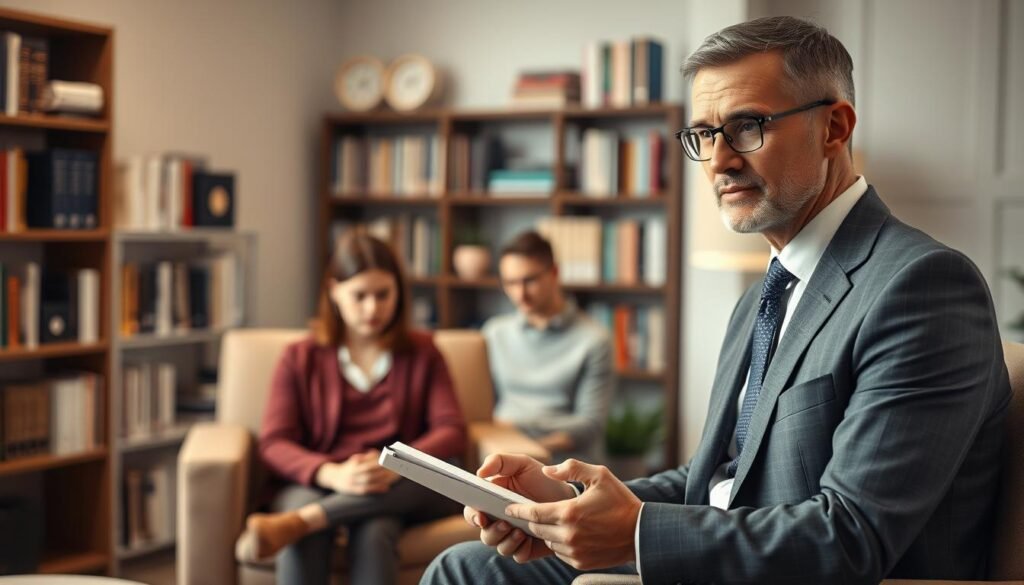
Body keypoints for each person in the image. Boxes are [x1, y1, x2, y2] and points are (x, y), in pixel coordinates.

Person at [422, 16, 1011, 585]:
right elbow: (720, 478)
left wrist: (634, 535)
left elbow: (852, 536)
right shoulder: (764, 295)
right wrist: (565, 504)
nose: (721, 160)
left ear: (834, 127)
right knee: (461, 566)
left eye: (748, 125)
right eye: (703, 134)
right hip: (724, 553)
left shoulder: (922, 286)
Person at [234, 231, 466, 585]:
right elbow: (274, 443)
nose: (373, 308)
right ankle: (306, 519)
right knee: (357, 523)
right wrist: (331, 473)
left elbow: (451, 430)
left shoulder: (424, 352)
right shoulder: (299, 357)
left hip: (397, 483)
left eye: (383, 295)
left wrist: (394, 466)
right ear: (334, 291)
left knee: (381, 518)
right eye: (360, 296)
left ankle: (304, 520)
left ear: (399, 293)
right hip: (319, 479)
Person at [482, 230, 614, 463]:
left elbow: (589, 426)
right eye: (510, 283)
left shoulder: (594, 340)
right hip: (498, 451)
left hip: (563, 464)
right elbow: (479, 411)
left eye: (529, 280)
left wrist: (523, 442)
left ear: (554, 273)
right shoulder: (494, 333)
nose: (520, 294)